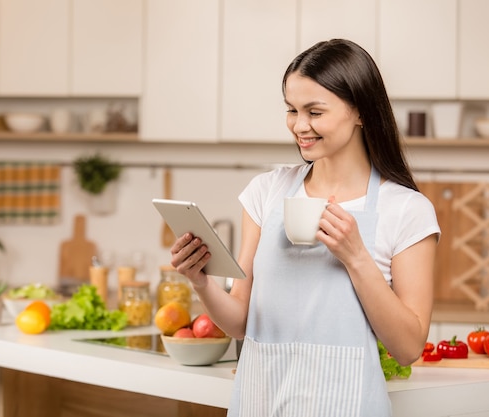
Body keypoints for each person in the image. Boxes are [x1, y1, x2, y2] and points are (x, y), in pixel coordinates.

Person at [170, 39, 440, 417]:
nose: (299, 126)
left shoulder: (407, 210)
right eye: (292, 110)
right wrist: (201, 280)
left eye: (314, 111)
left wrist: (356, 257)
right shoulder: (267, 191)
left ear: (361, 111)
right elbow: (239, 323)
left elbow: (409, 348)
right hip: (260, 402)